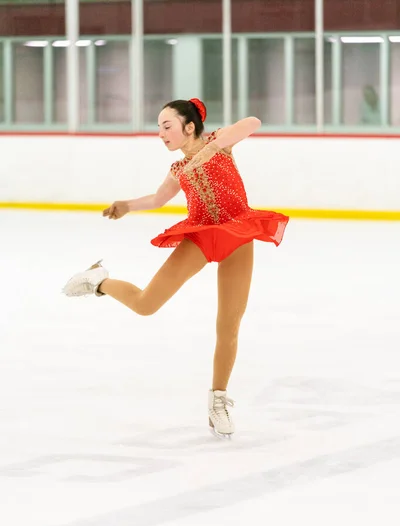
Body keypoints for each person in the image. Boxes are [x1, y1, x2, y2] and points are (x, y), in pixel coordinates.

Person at [62, 98, 289, 439]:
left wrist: (213, 150)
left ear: (189, 126)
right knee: (145, 305)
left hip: (238, 232)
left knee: (228, 324)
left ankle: (218, 400)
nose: (160, 134)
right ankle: (99, 281)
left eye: (166, 126)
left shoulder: (219, 142)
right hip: (200, 236)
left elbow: (253, 121)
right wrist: (127, 205)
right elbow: (157, 200)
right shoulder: (178, 169)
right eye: (158, 127)